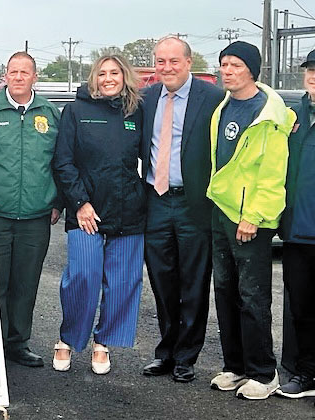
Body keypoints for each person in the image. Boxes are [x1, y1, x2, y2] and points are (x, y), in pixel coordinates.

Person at [206, 41, 294, 400]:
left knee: (253, 296)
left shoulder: (269, 116)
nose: (227, 71)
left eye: (236, 65)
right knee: (225, 291)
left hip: (249, 218)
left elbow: (273, 175)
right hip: (221, 211)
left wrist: (254, 216)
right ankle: (236, 366)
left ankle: (263, 371)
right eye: (224, 64)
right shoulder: (224, 106)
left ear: (252, 71)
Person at [51, 55, 145, 375]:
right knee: (84, 276)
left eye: (114, 72)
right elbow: (63, 161)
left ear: (124, 76)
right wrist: (79, 202)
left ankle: (102, 341)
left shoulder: (136, 111)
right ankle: (68, 338)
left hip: (128, 209)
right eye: (102, 73)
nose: (108, 78)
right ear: (94, 78)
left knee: (122, 281)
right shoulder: (76, 111)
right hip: (86, 211)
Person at [139, 37, 225, 383]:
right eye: (161, 61)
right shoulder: (145, 99)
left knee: (193, 282)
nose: (167, 68)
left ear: (189, 62)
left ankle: (186, 357)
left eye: (174, 61)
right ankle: (166, 351)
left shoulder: (213, 98)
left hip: (193, 203)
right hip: (156, 200)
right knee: (162, 280)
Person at [0, 51, 61, 368]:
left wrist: (58, 202)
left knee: (26, 282)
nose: (19, 77)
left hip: (36, 216)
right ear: (5, 76)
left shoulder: (50, 114)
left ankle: (17, 342)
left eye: (25, 72)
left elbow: (61, 161)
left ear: (34, 76)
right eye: (13, 71)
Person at [275, 46, 315, 411]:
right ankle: (308, 373)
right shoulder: (291, 117)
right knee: (303, 307)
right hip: (296, 229)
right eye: (311, 70)